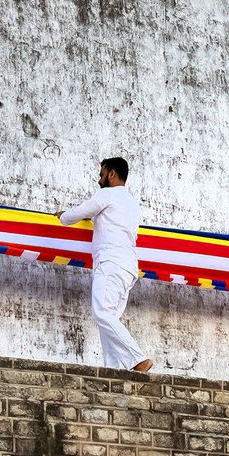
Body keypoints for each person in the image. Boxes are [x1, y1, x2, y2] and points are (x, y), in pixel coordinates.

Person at [60, 157, 153, 374]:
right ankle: (112, 371)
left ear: (111, 174)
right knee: (109, 320)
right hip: (128, 268)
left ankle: (138, 359)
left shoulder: (107, 194)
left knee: (102, 313)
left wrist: (63, 216)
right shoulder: (131, 203)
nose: (98, 178)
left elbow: (80, 211)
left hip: (111, 263)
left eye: (101, 173)